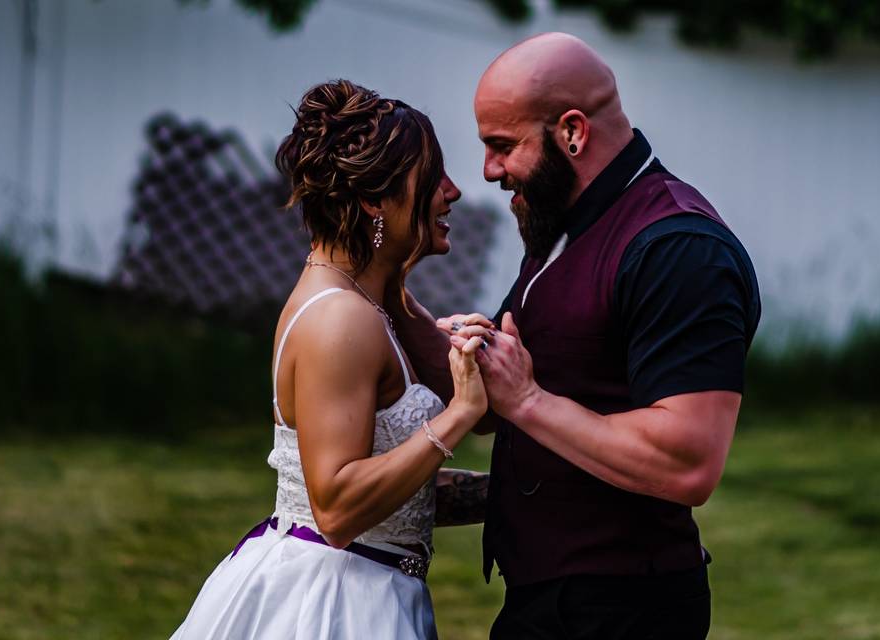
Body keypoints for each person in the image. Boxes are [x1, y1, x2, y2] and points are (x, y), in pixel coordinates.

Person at [388, 33, 761, 639]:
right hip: (551, 601)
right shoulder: (562, 226)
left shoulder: (679, 249)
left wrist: (529, 402)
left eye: (503, 146)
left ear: (573, 132)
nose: (488, 171)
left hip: (626, 611)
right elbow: (491, 399)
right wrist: (387, 292)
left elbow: (690, 463)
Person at [170, 80, 490, 640]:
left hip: (368, 586)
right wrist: (456, 415)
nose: (453, 191)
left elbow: (400, 494)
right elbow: (338, 509)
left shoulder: (368, 302)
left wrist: (535, 494)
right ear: (373, 200)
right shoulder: (340, 319)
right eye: (433, 176)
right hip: (334, 606)